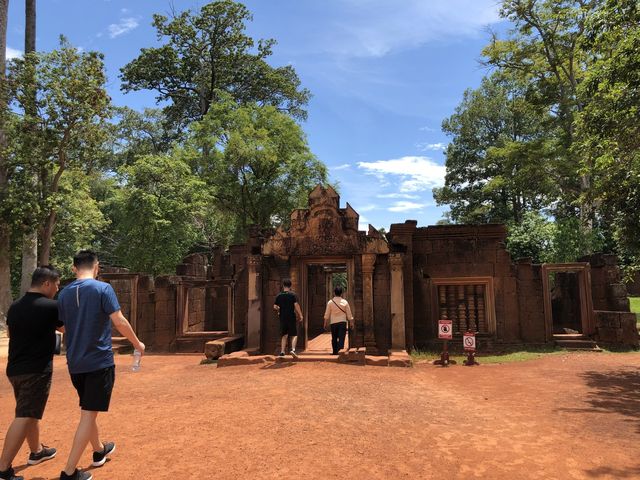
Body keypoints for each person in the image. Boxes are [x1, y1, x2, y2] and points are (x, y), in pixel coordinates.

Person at [57, 250, 145, 480]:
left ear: (74, 268)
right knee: (88, 414)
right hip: (98, 361)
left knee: (88, 409)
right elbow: (119, 321)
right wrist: (137, 343)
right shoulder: (102, 289)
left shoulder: (63, 293)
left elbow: (59, 325)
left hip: (75, 362)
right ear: (97, 267)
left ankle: (98, 451)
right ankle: (68, 472)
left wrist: (78, 331)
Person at [0, 266, 63, 480]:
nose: (57, 289)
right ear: (46, 283)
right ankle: (3, 469)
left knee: (29, 411)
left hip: (15, 369)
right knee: (25, 415)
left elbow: (12, 333)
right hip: (36, 370)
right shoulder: (52, 307)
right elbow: (66, 329)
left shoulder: (15, 307)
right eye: (56, 284)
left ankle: (37, 452)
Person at [273, 279, 303, 358]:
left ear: (283, 285)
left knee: (284, 335)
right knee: (294, 334)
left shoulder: (279, 295)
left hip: (282, 317)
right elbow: (296, 305)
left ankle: (282, 352)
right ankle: (293, 350)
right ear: (290, 286)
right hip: (291, 316)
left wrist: (279, 308)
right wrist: (300, 315)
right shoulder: (293, 295)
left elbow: (275, 306)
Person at [323, 286, 354, 355]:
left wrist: (325, 323)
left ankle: (334, 352)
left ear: (334, 293)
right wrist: (351, 323)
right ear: (341, 293)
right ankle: (340, 352)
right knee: (341, 338)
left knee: (334, 338)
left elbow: (327, 314)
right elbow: (349, 314)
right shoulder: (345, 302)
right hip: (342, 322)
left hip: (333, 322)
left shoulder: (330, 302)